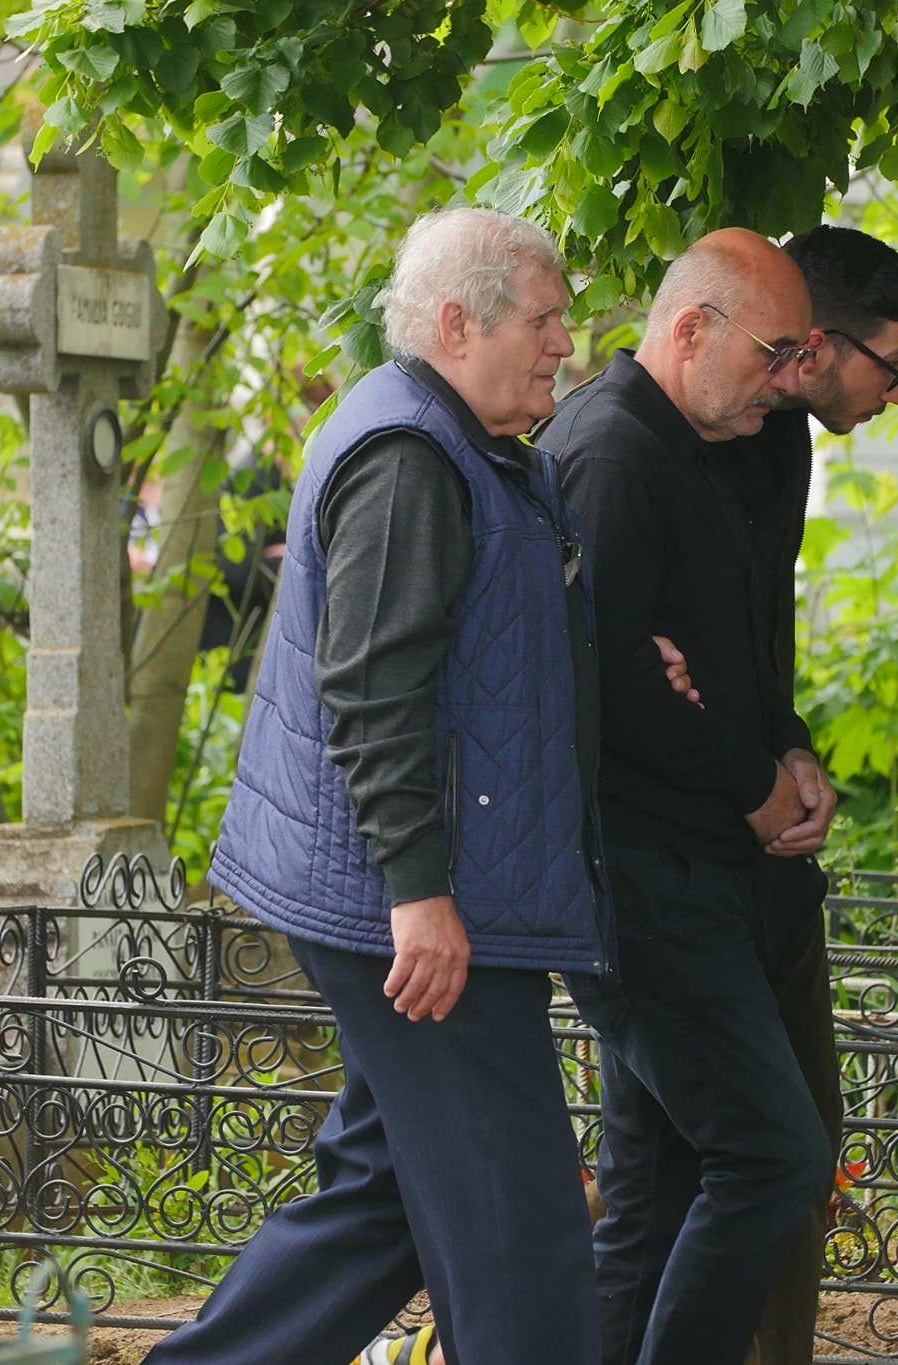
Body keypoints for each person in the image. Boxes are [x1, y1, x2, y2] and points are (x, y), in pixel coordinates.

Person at [149, 207, 606, 1365]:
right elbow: (370, 688)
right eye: (544, 321)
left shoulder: (448, 440)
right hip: (421, 912)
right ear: (457, 323)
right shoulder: (409, 457)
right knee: (519, 1226)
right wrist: (419, 892)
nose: (563, 344)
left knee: (386, 1197)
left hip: (418, 896)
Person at [534, 228, 832, 1365]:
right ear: (691, 329)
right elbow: (604, 688)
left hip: (690, 868)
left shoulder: (705, 443)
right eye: (773, 353)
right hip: (640, 877)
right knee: (772, 1156)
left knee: (653, 1192)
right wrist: (751, 782)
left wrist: (787, 751)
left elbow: (734, 651)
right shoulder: (613, 452)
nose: (787, 380)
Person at [707, 224, 898, 1365]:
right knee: (748, 1153)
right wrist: (750, 775)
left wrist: (791, 750)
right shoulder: (655, 442)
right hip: (681, 861)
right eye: (892, 367)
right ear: (817, 345)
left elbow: (754, 637)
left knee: (800, 1139)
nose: (897, 396)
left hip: (763, 849)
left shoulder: (783, 437)